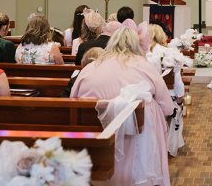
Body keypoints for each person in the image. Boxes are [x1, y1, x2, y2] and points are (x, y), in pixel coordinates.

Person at [71, 27, 174, 186]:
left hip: (94, 140)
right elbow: (167, 107)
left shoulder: (91, 67)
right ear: (136, 44)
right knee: (153, 107)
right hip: (137, 141)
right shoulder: (144, 65)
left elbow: (73, 99)